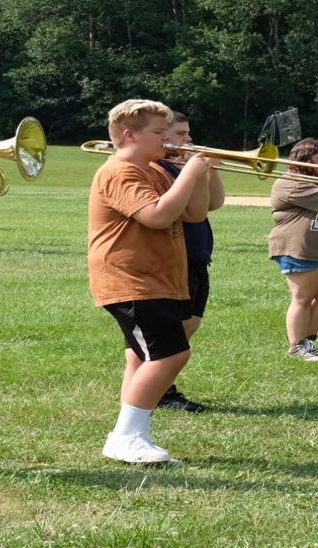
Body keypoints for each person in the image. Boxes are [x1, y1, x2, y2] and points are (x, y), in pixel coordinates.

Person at [87, 99, 215, 464]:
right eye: (158, 133)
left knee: (141, 357)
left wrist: (199, 175)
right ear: (129, 135)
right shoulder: (121, 171)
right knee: (172, 353)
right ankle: (127, 437)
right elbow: (156, 216)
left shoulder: (153, 169)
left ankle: (130, 434)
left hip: (157, 279)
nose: (167, 140)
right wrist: (190, 173)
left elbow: (194, 212)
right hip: (131, 280)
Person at [153, 110, 224, 413]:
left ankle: (159, 387)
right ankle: (160, 391)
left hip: (197, 253)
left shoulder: (184, 166)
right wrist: (190, 173)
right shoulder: (157, 168)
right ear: (162, 135)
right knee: (176, 328)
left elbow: (213, 204)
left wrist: (210, 172)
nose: (189, 140)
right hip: (175, 254)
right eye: (181, 134)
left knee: (191, 322)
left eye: (188, 133)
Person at [268, 137, 318, 361]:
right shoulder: (290, 182)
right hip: (297, 247)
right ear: (304, 158)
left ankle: (307, 341)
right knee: (303, 298)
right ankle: (296, 346)